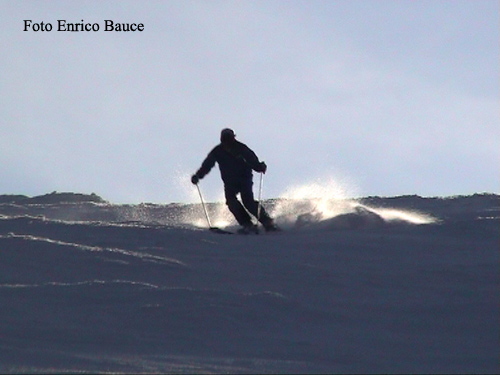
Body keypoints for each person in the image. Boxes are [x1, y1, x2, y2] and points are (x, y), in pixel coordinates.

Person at [191, 128, 278, 233]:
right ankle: (247, 224)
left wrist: (259, 167)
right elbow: (207, 165)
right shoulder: (218, 151)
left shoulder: (241, 148)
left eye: (229, 139)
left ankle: (267, 222)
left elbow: (251, 159)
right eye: (225, 139)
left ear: (233, 138)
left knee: (248, 201)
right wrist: (198, 176)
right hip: (230, 182)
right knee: (231, 202)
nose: (227, 142)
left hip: (244, 179)